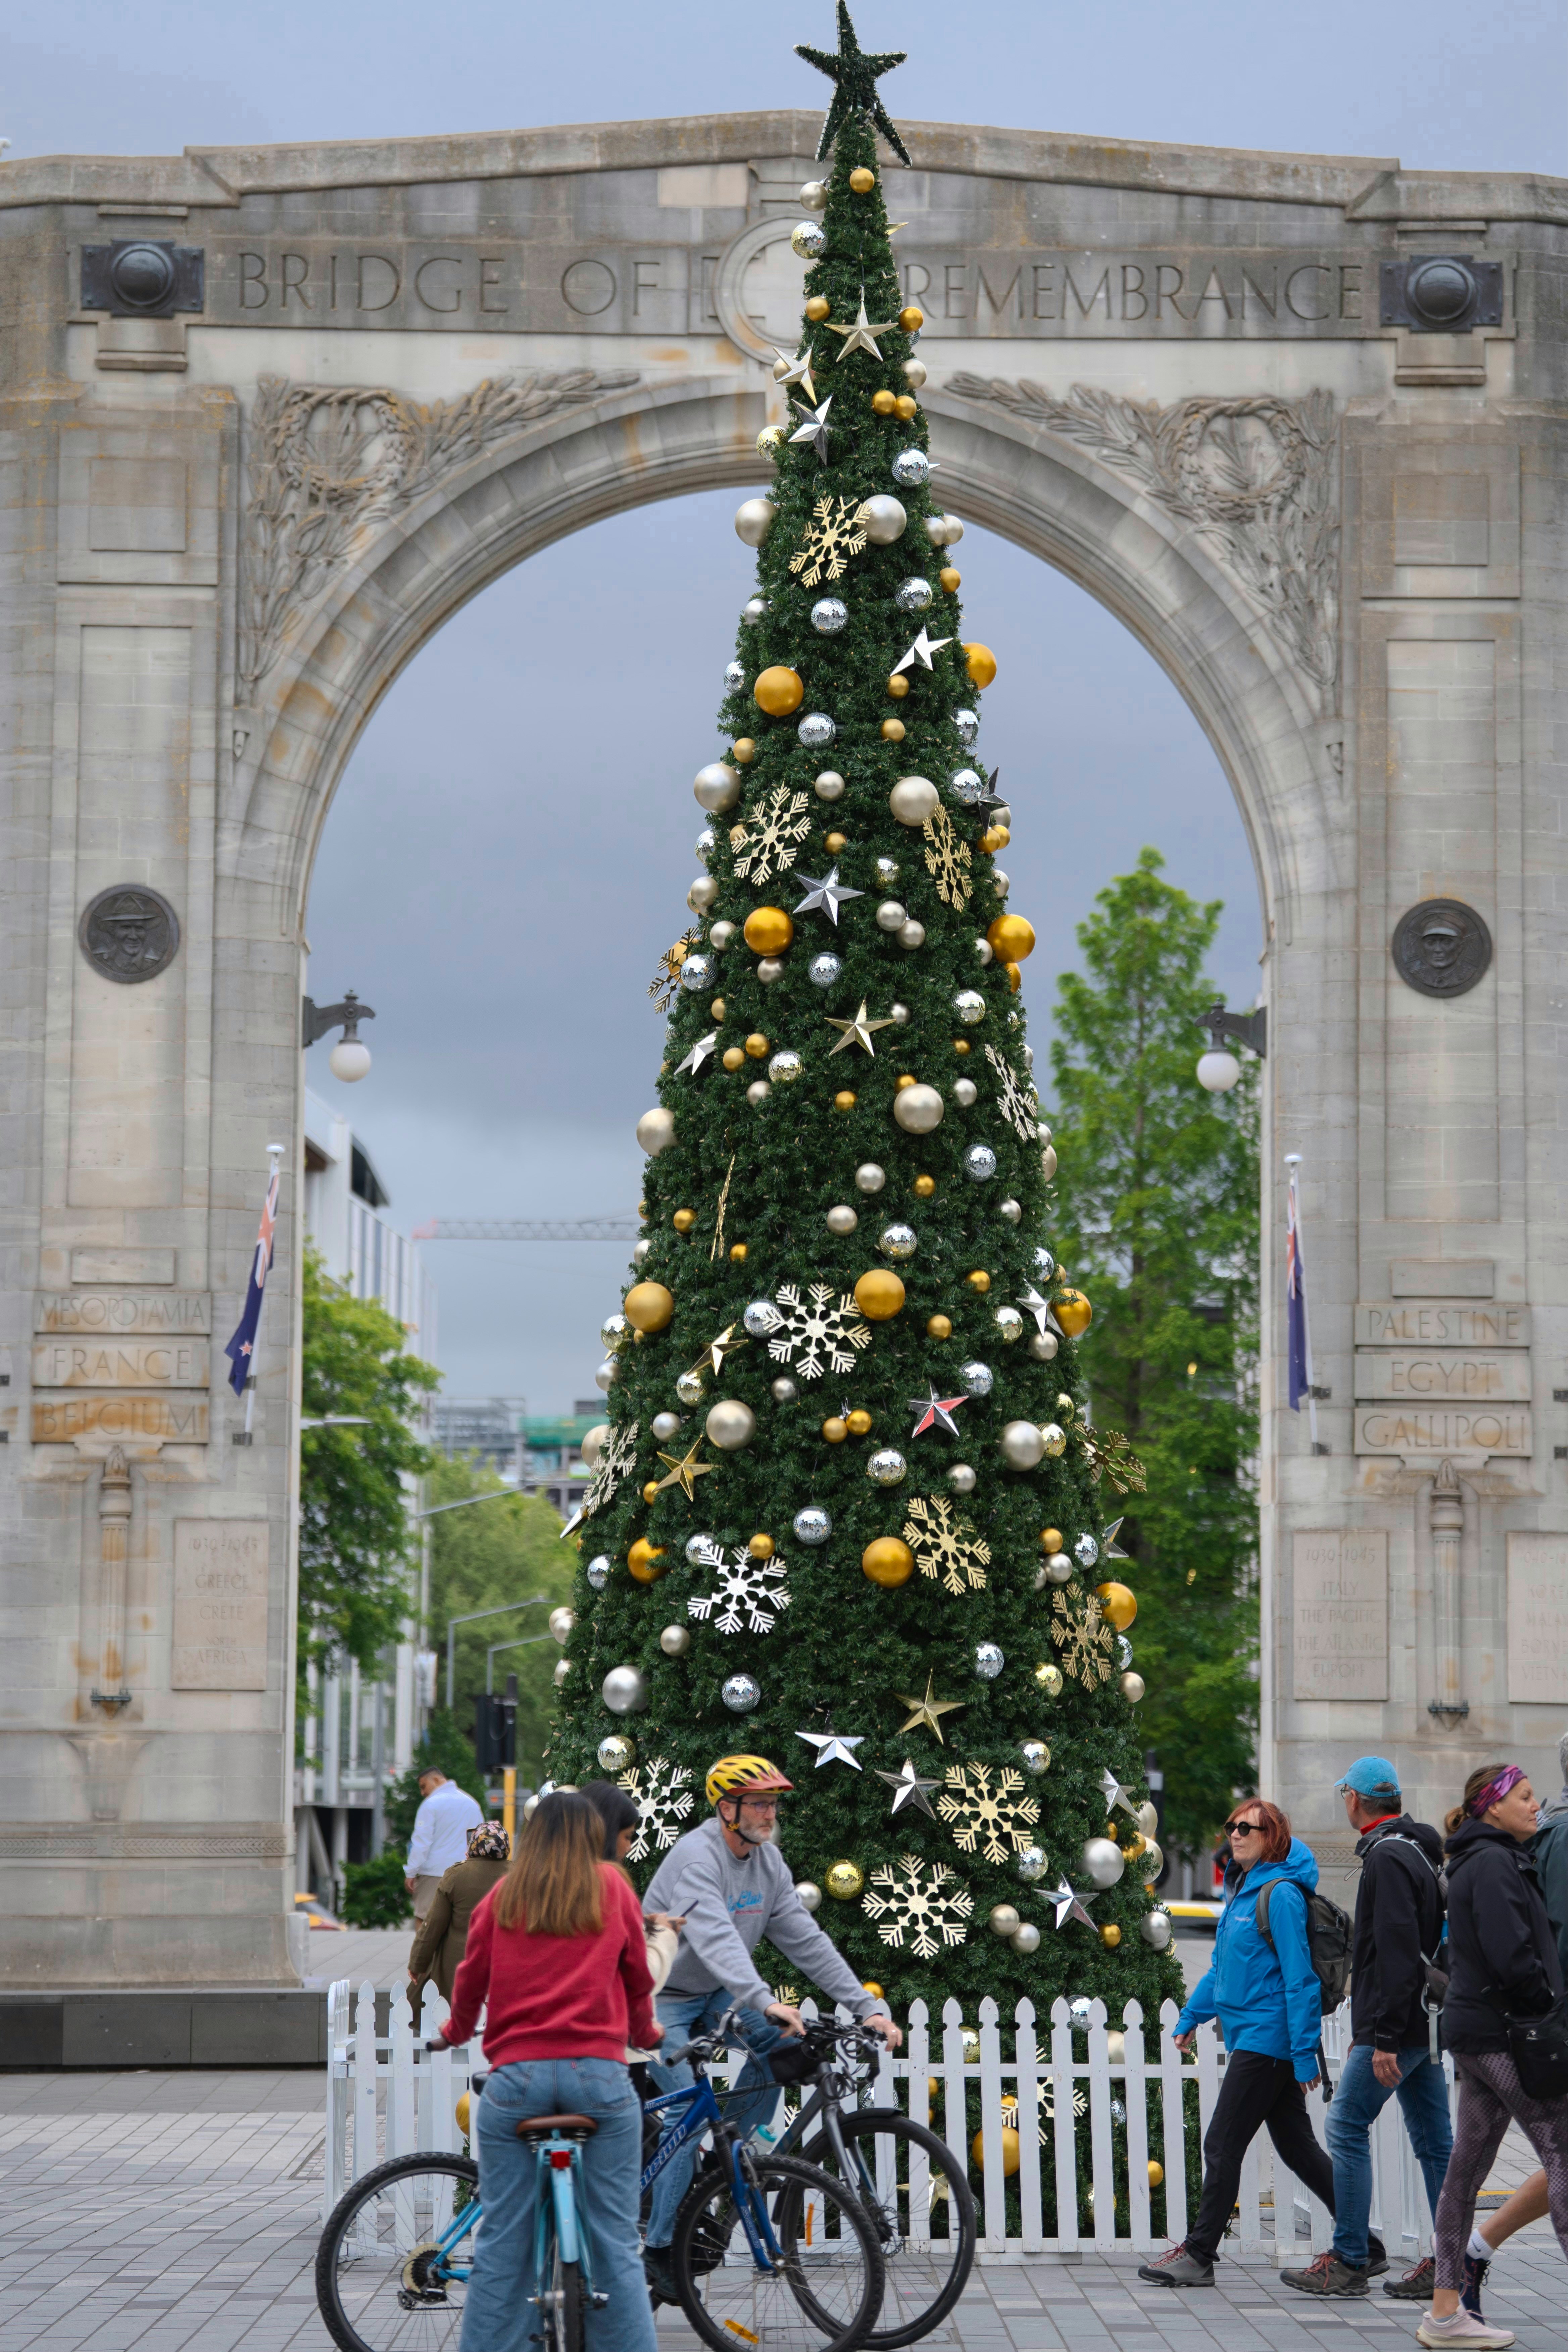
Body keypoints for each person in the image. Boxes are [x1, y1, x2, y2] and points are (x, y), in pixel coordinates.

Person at [638, 1753, 902, 2303]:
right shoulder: (697, 1859)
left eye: (772, 1802)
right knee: (683, 2125)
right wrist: (762, 1998)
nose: (768, 1811)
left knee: (781, 2050)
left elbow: (805, 1939)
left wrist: (864, 2005)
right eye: (758, 1802)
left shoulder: (768, 1863)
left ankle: (722, 2155)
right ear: (726, 1807)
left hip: (717, 1992)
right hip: (658, 1995)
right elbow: (714, 1938)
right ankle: (661, 2247)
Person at [438, 1789, 659, 2352]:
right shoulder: (613, 1888)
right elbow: (637, 1974)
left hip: (516, 2083)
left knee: (502, 2245)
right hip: (601, 2081)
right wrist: (648, 2033)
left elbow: (469, 1977)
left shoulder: (502, 1896)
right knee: (613, 2241)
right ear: (593, 1836)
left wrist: (457, 2031)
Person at [1139, 1799, 1351, 2288]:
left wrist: (1303, 2054)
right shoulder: (1244, 1891)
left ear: (1272, 1837)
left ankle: (1198, 2254)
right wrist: (1192, 2015)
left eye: (1247, 1829)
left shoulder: (1280, 1895)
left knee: (1222, 2142)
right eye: (1232, 1826)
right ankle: (1365, 2242)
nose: (1235, 1835)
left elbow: (1300, 1981)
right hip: (1255, 2037)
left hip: (1268, 2040)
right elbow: (1223, 1970)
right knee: (1299, 2150)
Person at [1284, 1757, 1451, 2299]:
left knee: (1345, 2126)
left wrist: (1379, 2036)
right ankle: (1451, 2261)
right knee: (1434, 2144)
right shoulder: (1421, 1851)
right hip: (1421, 2021)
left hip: (1397, 2027)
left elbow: (1396, 1950)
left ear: (1354, 1800)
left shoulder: (1385, 1857)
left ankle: (1351, 2257)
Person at [1420, 1763, 1568, 2351]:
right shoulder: (1495, 1863)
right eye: (1526, 1797)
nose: (1537, 1806)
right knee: (1562, 2151)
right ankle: (1445, 2307)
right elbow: (1515, 1958)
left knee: (1465, 2170)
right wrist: (1549, 2004)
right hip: (1506, 2033)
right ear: (1492, 1806)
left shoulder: (1482, 1860)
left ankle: (1444, 2311)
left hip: (1478, 2030)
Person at [407, 1820, 510, 2010]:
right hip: (506, 1968)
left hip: (460, 1968)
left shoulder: (457, 1875)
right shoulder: (519, 1875)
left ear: (474, 1844)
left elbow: (433, 1926)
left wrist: (417, 1963)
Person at [404, 1768, 483, 1921]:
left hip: (434, 1874)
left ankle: (426, 1948)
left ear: (436, 1780)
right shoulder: (472, 1803)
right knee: (459, 1923)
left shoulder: (430, 1805)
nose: (423, 1792)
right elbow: (479, 1840)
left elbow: (422, 1843)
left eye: (423, 1786)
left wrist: (411, 1872)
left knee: (425, 1920)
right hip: (465, 1873)